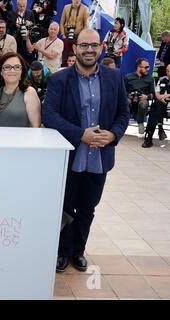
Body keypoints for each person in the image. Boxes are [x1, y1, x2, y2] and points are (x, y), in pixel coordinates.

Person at [42, 29, 129, 273]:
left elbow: (123, 114)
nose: (89, 50)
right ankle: (63, 251)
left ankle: (79, 251)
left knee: (88, 207)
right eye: (84, 45)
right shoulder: (59, 80)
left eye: (93, 45)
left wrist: (113, 135)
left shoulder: (114, 78)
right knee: (66, 206)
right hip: (70, 157)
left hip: (100, 159)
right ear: (75, 48)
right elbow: (50, 115)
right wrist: (81, 134)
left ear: (100, 48)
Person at [0, 52, 40, 127]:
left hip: (21, 138)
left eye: (17, 67)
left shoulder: (29, 92)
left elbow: (36, 126)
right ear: (1, 71)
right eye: (7, 67)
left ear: (22, 71)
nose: (12, 70)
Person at [124, 58, 155, 135]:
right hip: (130, 101)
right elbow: (122, 91)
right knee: (125, 102)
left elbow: (153, 94)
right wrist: (128, 95)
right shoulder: (128, 77)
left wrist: (147, 97)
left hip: (142, 102)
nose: (148, 69)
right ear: (139, 67)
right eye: (146, 67)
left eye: (148, 67)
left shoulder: (150, 79)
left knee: (143, 103)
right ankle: (123, 123)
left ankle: (140, 123)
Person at [142, 64, 170, 148]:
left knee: (155, 108)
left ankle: (158, 129)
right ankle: (150, 138)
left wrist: (166, 96)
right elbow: (156, 92)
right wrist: (161, 98)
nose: (168, 73)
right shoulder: (162, 79)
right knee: (156, 106)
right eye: (167, 71)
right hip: (161, 104)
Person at [59, 0, 89, 67]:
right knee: (65, 58)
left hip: (78, 37)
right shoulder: (66, 7)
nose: (77, 1)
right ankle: (65, 71)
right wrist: (63, 35)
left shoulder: (85, 8)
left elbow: (86, 25)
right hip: (66, 36)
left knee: (78, 57)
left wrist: (81, 38)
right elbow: (61, 22)